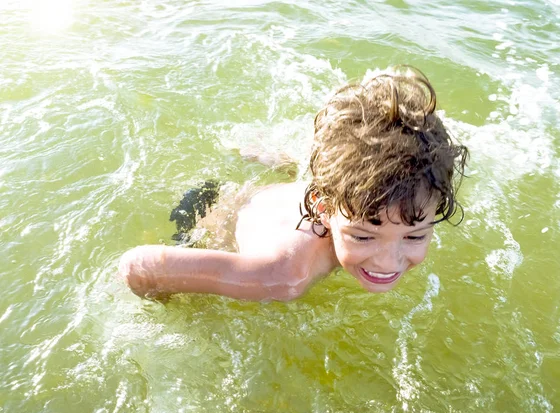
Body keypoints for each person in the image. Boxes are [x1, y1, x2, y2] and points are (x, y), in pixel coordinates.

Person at [118, 66, 468, 301]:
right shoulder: (284, 276)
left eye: (415, 235)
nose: (388, 262)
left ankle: (278, 160)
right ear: (323, 209)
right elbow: (139, 267)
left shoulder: (361, 194)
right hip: (208, 207)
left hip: (279, 199)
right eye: (362, 236)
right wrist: (186, 314)